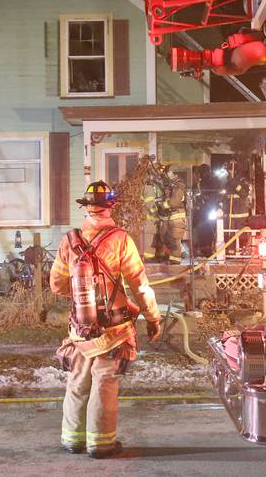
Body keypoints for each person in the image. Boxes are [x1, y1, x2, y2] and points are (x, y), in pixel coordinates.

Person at [50, 180, 161, 459]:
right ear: (111, 206)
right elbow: (139, 284)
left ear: (86, 207)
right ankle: (100, 444)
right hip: (114, 330)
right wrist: (152, 317)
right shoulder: (120, 239)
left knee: (77, 382)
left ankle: (72, 440)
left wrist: (79, 295)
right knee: (104, 384)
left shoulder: (69, 240)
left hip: (80, 329)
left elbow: (56, 285)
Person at [160, 166, 187, 264]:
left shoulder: (179, 185)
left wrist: (164, 205)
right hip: (173, 216)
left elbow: (174, 202)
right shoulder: (174, 185)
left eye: (167, 173)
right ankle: (173, 258)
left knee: (174, 239)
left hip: (178, 216)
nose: (166, 175)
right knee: (168, 237)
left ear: (172, 173)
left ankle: (175, 261)